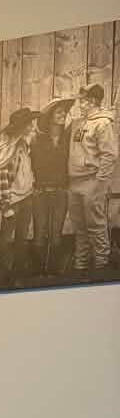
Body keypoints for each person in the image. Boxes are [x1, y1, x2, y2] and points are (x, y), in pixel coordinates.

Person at [66, 80, 118, 277]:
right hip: (74, 182)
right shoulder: (78, 123)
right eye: (81, 100)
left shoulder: (103, 124)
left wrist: (100, 183)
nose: (80, 104)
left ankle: (101, 263)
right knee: (79, 226)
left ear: (94, 102)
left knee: (95, 224)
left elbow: (109, 155)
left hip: (92, 181)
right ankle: (81, 263)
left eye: (84, 101)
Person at [0, 106, 36, 285]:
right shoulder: (8, 149)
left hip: (27, 197)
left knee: (22, 238)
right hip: (13, 201)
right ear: (21, 126)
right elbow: (3, 180)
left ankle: (17, 274)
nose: (32, 126)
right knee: (5, 240)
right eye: (29, 124)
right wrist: (6, 207)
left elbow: (26, 171)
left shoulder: (24, 144)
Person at [31, 97, 74, 275]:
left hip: (61, 192)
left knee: (56, 233)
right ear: (49, 117)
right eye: (59, 112)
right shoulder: (37, 139)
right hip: (40, 192)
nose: (63, 114)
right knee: (40, 232)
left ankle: (53, 270)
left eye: (65, 111)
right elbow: (32, 165)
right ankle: (38, 270)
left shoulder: (68, 137)